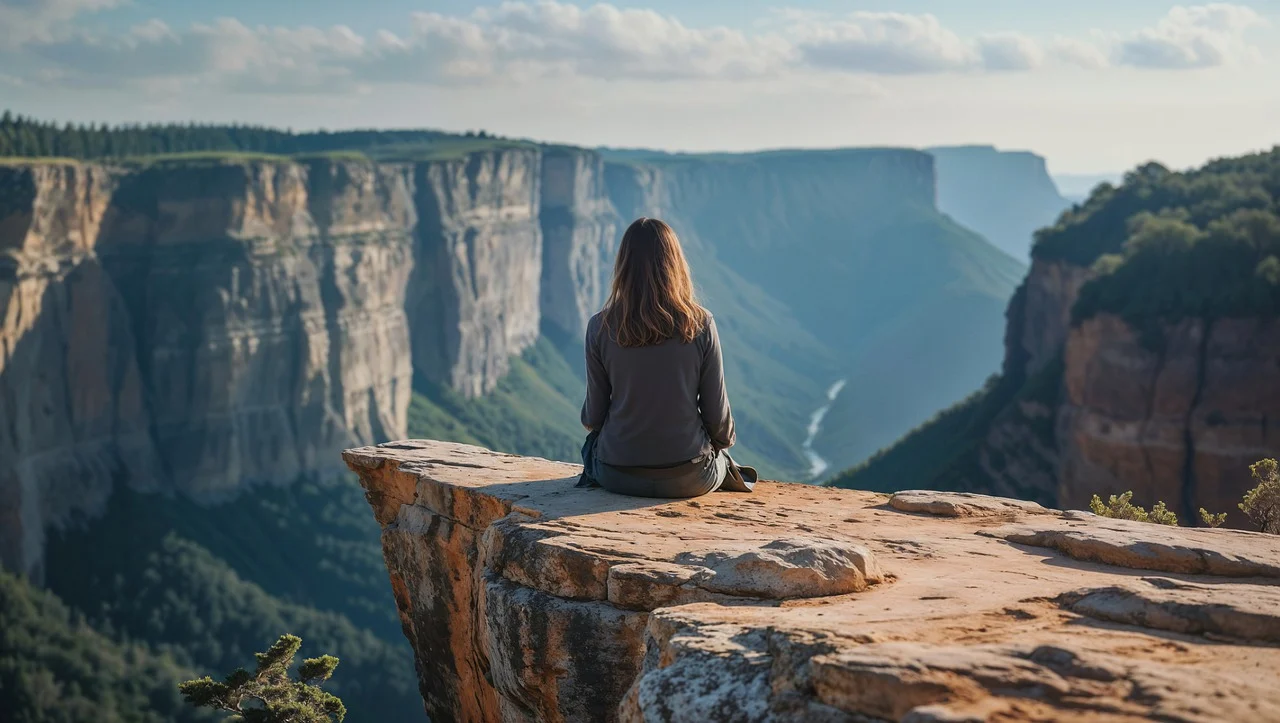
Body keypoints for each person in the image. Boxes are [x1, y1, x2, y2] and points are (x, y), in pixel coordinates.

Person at [579, 217, 756, 498]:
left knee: (591, 447)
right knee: (724, 463)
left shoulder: (599, 327)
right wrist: (716, 447)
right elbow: (718, 423)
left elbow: (593, 418)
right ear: (675, 264)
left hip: (617, 474)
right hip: (690, 476)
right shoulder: (701, 323)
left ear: (623, 266)